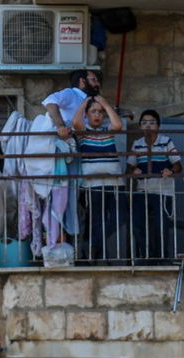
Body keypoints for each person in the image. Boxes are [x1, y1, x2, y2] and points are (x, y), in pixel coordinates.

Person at [72, 92, 125, 263]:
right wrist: (85, 102)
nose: (97, 115)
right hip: (92, 184)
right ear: (87, 115)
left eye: (100, 112)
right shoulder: (83, 132)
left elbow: (118, 125)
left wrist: (106, 104)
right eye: (93, 111)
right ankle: (100, 257)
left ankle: (92, 245)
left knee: (120, 216)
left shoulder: (107, 131)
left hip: (114, 182)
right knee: (97, 221)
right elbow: (75, 122)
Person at [129, 109, 182, 264]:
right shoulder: (137, 144)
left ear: (158, 126)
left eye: (152, 123)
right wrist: (134, 170)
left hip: (162, 190)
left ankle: (163, 258)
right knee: (138, 224)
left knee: (161, 225)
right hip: (142, 190)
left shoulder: (166, 141)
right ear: (140, 126)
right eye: (144, 122)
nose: (148, 126)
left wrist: (170, 170)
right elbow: (129, 167)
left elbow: (178, 165)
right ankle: (146, 258)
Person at [44, 69, 101, 140]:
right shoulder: (71, 93)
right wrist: (61, 127)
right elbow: (50, 102)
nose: (98, 84)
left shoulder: (91, 99)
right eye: (94, 80)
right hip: (69, 138)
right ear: (82, 81)